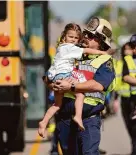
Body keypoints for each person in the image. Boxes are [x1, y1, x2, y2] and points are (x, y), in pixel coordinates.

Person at [43, 17, 115, 155]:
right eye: (85, 34)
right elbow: (48, 77)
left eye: (90, 35)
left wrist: (71, 87)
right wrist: (55, 85)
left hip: (89, 119)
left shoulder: (105, 60)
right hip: (65, 118)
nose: (85, 36)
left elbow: (98, 85)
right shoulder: (73, 53)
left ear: (100, 41)